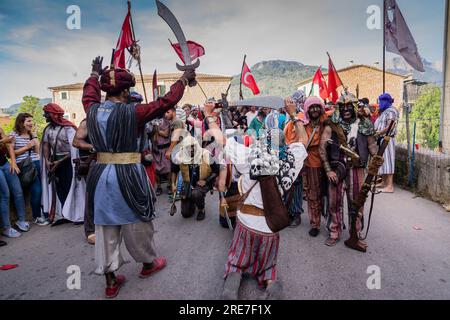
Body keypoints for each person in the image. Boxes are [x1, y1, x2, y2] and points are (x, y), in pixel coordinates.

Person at [82, 56, 195, 298]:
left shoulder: (91, 109)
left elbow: (88, 94)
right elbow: (166, 101)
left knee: (105, 225)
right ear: (125, 91)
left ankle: (110, 280)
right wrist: (183, 79)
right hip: (128, 173)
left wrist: (93, 74)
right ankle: (147, 264)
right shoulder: (134, 112)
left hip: (100, 175)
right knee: (137, 220)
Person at [205, 98, 308, 300]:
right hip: (271, 226)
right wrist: (294, 114)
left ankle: (230, 291)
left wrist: (209, 115)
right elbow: (304, 140)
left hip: (245, 223)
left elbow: (221, 139)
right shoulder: (291, 157)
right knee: (269, 268)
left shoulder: (249, 154)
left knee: (236, 262)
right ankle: (270, 286)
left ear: (262, 135)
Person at [319, 93, 379, 249]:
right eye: (342, 106)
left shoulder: (365, 124)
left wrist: (376, 159)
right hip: (336, 169)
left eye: (349, 106)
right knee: (334, 203)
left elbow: (372, 145)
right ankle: (334, 232)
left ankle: (355, 234)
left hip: (356, 169)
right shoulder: (331, 124)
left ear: (354, 107)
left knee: (357, 204)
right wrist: (328, 171)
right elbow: (322, 148)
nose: (345, 109)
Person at [285, 97, 328, 235]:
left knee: (322, 194)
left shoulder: (326, 120)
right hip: (305, 162)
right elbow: (291, 139)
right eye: (311, 107)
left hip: (322, 162)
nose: (315, 109)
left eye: (317, 106)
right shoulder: (301, 122)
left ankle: (325, 223)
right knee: (305, 191)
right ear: (307, 109)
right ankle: (308, 220)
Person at [41, 103, 85, 226]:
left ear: (54, 114)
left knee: (72, 186)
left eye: (47, 113)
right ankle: (65, 214)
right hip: (55, 163)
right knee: (60, 189)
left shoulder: (68, 128)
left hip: (68, 163)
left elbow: (74, 148)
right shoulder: (48, 129)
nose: (45, 116)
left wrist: (59, 162)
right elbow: (45, 144)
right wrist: (47, 160)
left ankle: (78, 215)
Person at [10, 113, 47, 225]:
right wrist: (26, 147)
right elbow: (11, 153)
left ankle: (45, 213)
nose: (31, 123)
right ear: (21, 122)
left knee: (43, 190)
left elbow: (38, 151)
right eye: (28, 121)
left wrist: (35, 137)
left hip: (37, 163)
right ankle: (36, 216)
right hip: (25, 166)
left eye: (32, 121)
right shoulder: (13, 135)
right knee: (36, 190)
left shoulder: (32, 135)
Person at [172, 135, 220, 221]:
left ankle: (201, 209)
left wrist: (206, 181)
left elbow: (216, 171)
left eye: (192, 146)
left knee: (196, 194)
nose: (191, 149)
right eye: (188, 147)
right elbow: (174, 170)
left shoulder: (205, 154)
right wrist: (173, 184)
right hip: (187, 183)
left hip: (203, 182)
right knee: (185, 213)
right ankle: (193, 201)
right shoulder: (180, 155)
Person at [0, 125, 29, 240]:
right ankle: (7, 228)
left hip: (4, 163)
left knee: (18, 191)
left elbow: (9, 145)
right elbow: (6, 140)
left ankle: (21, 221)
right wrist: (3, 140)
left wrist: (13, 162)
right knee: (4, 195)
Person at [72, 118, 96, 244]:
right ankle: (90, 231)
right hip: (92, 162)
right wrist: (94, 147)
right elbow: (76, 142)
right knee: (91, 196)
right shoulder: (87, 122)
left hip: (107, 161)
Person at [375, 93, 399, 193]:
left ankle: (390, 186)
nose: (379, 104)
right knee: (383, 162)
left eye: (381, 101)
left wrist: (379, 132)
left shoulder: (391, 111)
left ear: (385, 101)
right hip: (382, 139)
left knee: (388, 162)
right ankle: (384, 183)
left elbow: (391, 126)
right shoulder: (385, 111)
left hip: (387, 139)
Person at [165, 107, 186, 201]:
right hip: (176, 149)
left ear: (173, 112)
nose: (165, 114)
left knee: (179, 171)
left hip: (179, 149)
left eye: (167, 111)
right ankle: (175, 190)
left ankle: (178, 192)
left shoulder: (177, 122)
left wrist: (169, 151)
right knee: (174, 170)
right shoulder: (172, 122)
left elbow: (175, 138)